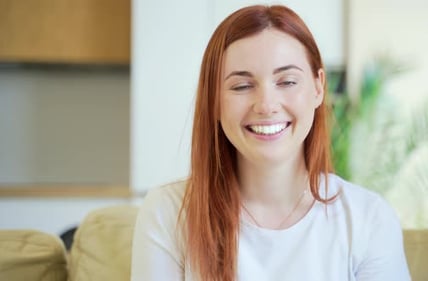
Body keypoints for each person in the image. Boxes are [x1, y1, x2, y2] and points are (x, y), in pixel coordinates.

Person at [131, 4, 411, 281]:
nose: (266, 105)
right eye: (241, 86)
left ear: (318, 87)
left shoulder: (368, 219)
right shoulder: (168, 213)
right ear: (213, 101)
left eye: (287, 81)